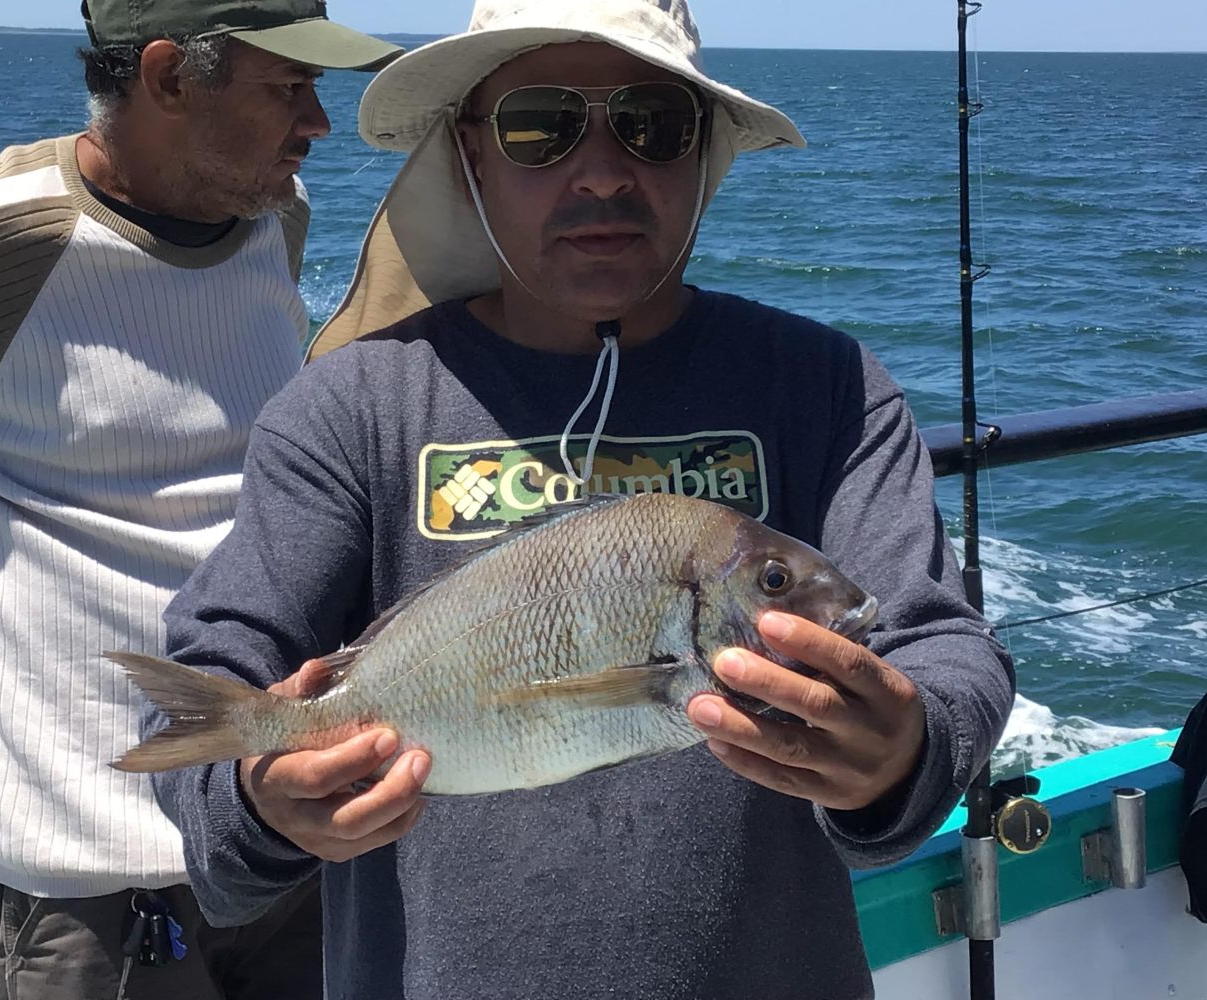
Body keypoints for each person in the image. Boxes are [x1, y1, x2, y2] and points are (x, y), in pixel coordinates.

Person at [151, 1, 1016, 998]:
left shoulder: (825, 384)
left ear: (703, 156)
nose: (603, 172)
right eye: (539, 126)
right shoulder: (353, 406)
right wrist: (260, 801)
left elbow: (945, 649)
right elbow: (219, 672)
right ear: (470, 156)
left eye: (652, 125)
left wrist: (904, 749)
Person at [0, 2, 400, 997]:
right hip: (92, 890)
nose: (318, 124)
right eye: (287, 87)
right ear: (168, 78)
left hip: (280, 835)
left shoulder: (271, 216)